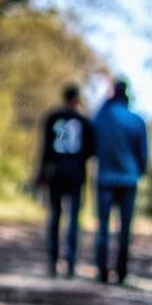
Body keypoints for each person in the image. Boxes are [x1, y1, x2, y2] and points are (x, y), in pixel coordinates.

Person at [93, 78, 149, 285]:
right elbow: (143, 155)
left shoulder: (102, 117)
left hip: (105, 178)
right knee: (125, 229)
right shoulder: (137, 120)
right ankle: (121, 272)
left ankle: (102, 271)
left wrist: (106, 102)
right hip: (128, 179)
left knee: (103, 227)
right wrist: (139, 172)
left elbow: (92, 139)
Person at [33, 84, 94, 277]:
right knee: (73, 218)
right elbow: (91, 150)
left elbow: (45, 149)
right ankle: (70, 264)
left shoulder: (53, 117)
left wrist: (41, 175)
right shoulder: (84, 121)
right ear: (76, 99)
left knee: (55, 215)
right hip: (76, 173)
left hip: (56, 172)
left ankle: (53, 262)